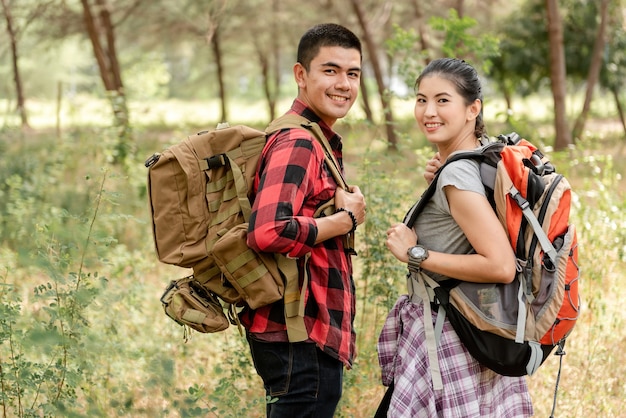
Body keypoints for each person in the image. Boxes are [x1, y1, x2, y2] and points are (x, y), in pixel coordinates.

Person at [378, 58, 534, 417]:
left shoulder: (457, 176)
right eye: (421, 99)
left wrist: (414, 253)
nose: (428, 111)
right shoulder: (486, 153)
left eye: (442, 100)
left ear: (472, 109)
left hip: (450, 332)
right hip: (480, 324)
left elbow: (500, 265)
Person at [241, 23, 367, 418]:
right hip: (300, 336)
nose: (343, 84)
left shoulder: (313, 136)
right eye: (330, 70)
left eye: (352, 73)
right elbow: (267, 230)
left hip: (302, 333)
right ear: (301, 75)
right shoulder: (299, 141)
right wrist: (344, 220)